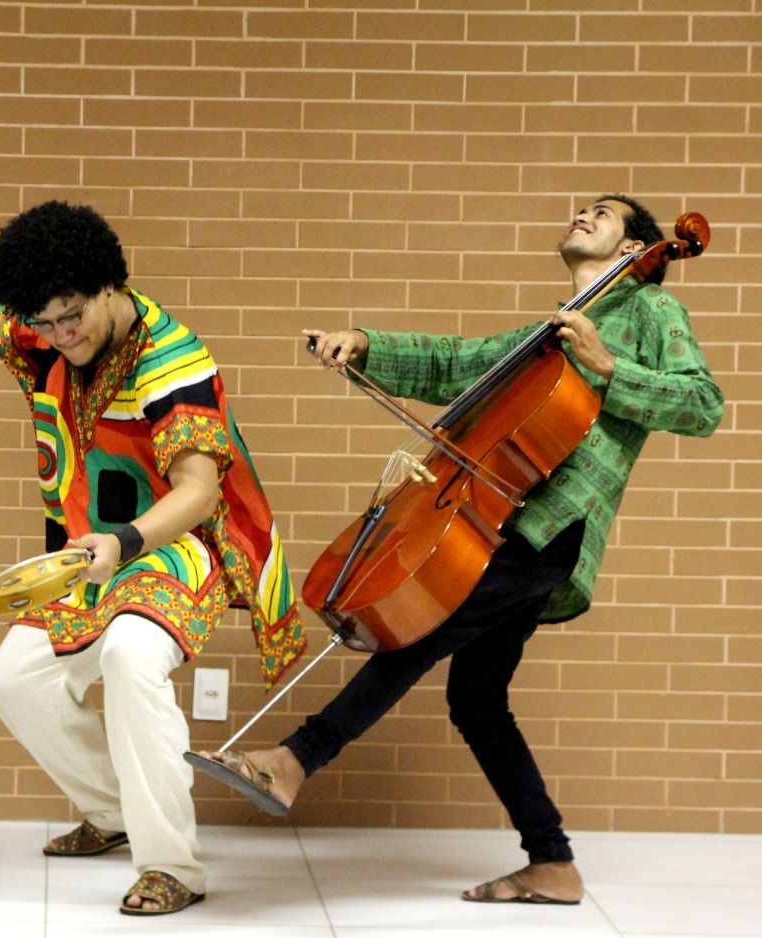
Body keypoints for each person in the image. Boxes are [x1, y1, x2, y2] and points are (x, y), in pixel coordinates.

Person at [198, 194, 723, 905]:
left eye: (603, 214)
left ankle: (294, 759)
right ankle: (552, 862)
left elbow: (702, 406)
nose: (582, 215)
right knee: (477, 700)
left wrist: (607, 367)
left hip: (549, 528)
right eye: (583, 209)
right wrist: (366, 345)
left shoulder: (651, 314)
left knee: (423, 629)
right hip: (499, 517)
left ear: (636, 250)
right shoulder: (551, 330)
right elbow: (460, 361)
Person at [0, 200, 306, 916]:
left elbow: (199, 489)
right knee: (14, 683)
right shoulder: (48, 333)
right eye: (47, 324)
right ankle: (113, 812)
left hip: (177, 544)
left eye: (73, 317)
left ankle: (172, 866)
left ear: (110, 286)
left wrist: (124, 543)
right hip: (89, 549)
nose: (62, 336)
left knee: (128, 655)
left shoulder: (171, 360)